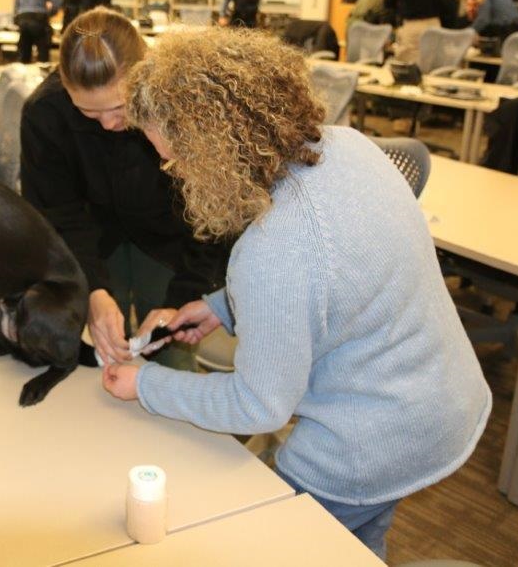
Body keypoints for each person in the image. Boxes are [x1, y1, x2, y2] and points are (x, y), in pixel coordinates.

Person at [103, 28, 491, 561]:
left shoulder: (273, 248)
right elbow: (342, 282)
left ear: (212, 149)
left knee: (272, 543)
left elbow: (259, 405)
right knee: (355, 547)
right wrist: (218, 308)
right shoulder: (349, 148)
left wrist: (146, 384)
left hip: (369, 443)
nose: (175, 173)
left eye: (175, 160)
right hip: (439, 400)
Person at [20, 8, 230, 371]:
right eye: (88, 113)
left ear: (146, 72)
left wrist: (188, 295)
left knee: (170, 353)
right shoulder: (45, 113)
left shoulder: (188, 105)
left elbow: (216, 218)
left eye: (121, 107)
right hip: (93, 241)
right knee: (97, 359)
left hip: (175, 240)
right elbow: (56, 214)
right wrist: (92, 289)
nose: (108, 124)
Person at [13, 0, 61, 64]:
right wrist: (50, 14)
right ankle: (41, 75)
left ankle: (23, 76)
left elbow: (16, 6)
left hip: (23, 19)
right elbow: (57, 2)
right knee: (42, 53)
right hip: (38, 20)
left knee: (24, 53)